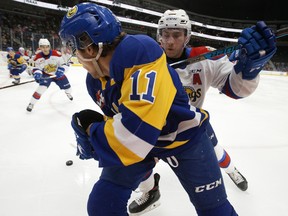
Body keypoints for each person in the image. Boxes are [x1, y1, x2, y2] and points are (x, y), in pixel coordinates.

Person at [60, 3, 238, 216]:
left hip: (184, 140)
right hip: (147, 144)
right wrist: (100, 136)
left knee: (216, 212)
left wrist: (91, 133)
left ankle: (229, 171)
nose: (74, 56)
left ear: (89, 48)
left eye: (74, 49)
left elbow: (134, 137)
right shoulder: (95, 82)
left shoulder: (138, 51)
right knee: (102, 206)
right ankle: (151, 189)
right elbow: (121, 124)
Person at [128, 9, 277, 215]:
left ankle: (232, 171)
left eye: (176, 34)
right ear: (158, 36)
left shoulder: (205, 58)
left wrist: (250, 67)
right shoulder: (143, 60)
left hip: (191, 128)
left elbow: (235, 89)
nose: (170, 41)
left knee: (215, 151)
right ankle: (151, 192)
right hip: (152, 128)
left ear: (187, 37)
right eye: (165, 34)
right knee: (135, 161)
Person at [26, 38, 73, 112]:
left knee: (68, 88)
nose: (45, 49)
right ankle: (31, 103)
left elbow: (65, 64)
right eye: (42, 47)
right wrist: (37, 73)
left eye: (46, 46)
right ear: (40, 47)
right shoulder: (37, 57)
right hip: (46, 75)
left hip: (58, 74)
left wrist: (61, 70)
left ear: (49, 46)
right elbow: (35, 67)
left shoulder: (56, 54)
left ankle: (68, 93)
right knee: (41, 89)